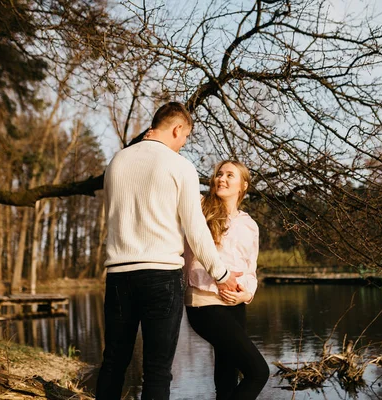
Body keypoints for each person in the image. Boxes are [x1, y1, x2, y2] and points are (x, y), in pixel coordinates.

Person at [95, 102, 242, 400]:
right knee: (157, 370)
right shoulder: (179, 166)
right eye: (185, 137)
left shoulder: (117, 162)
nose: (183, 143)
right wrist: (222, 274)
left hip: (119, 276)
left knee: (113, 362)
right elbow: (196, 230)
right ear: (177, 129)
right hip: (161, 277)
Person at [184, 160, 270, 400]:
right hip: (205, 303)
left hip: (236, 304)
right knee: (258, 372)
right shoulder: (200, 209)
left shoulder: (249, 224)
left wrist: (247, 294)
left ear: (243, 185)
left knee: (227, 377)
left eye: (229, 175)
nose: (221, 178)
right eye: (219, 174)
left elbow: (251, 270)